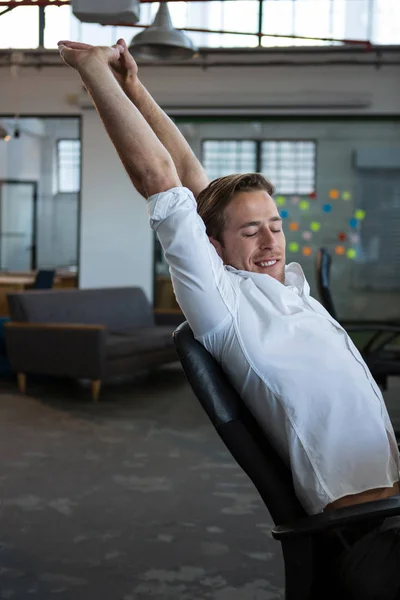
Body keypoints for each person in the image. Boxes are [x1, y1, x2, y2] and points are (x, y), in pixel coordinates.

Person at [58, 39, 400, 599]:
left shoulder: (284, 289)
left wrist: (136, 87)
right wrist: (93, 67)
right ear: (214, 248)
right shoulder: (225, 308)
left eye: (275, 223)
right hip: (370, 532)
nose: (270, 239)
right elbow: (160, 176)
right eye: (249, 231)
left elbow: (194, 176)